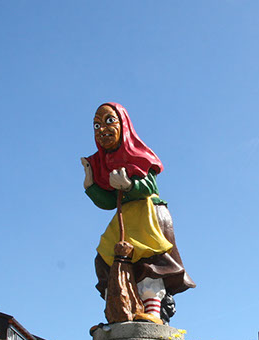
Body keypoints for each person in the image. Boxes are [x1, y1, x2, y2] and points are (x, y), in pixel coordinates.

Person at [82, 102, 194, 323]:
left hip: (147, 213)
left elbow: (150, 185)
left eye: (109, 121)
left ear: (123, 124)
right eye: (96, 124)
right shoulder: (102, 162)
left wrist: (130, 186)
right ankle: (119, 310)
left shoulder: (137, 152)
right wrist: (90, 185)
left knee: (148, 258)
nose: (102, 129)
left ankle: (152, 311)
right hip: (125, 215)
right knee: (106, 257)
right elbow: (109, 202)